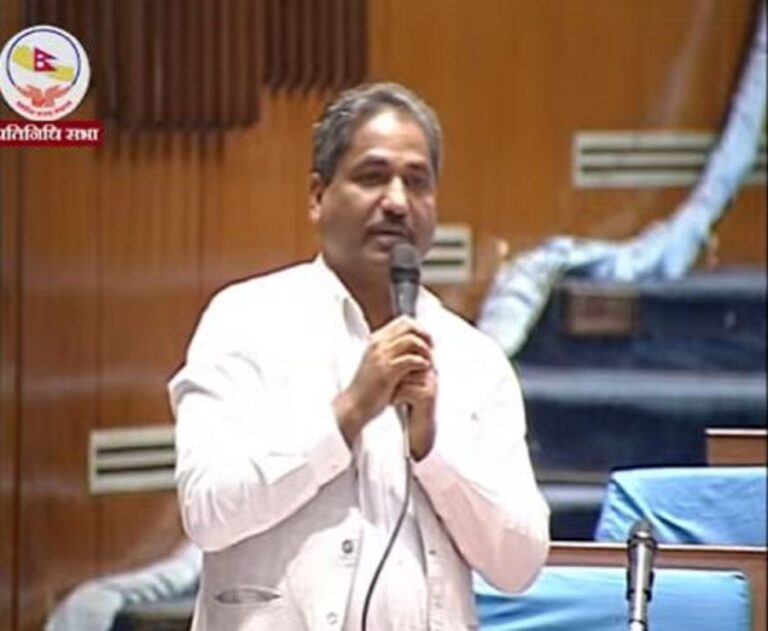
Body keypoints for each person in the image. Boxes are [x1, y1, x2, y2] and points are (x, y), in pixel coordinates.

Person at [169, 81, 550, 631]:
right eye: (372, 176)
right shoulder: (246, 321)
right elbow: (207, 512)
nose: (396, 201)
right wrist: (350, 410)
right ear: (317, 196)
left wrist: (431, 450)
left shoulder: (474, 359)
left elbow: (520, 564)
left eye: (416, 182)